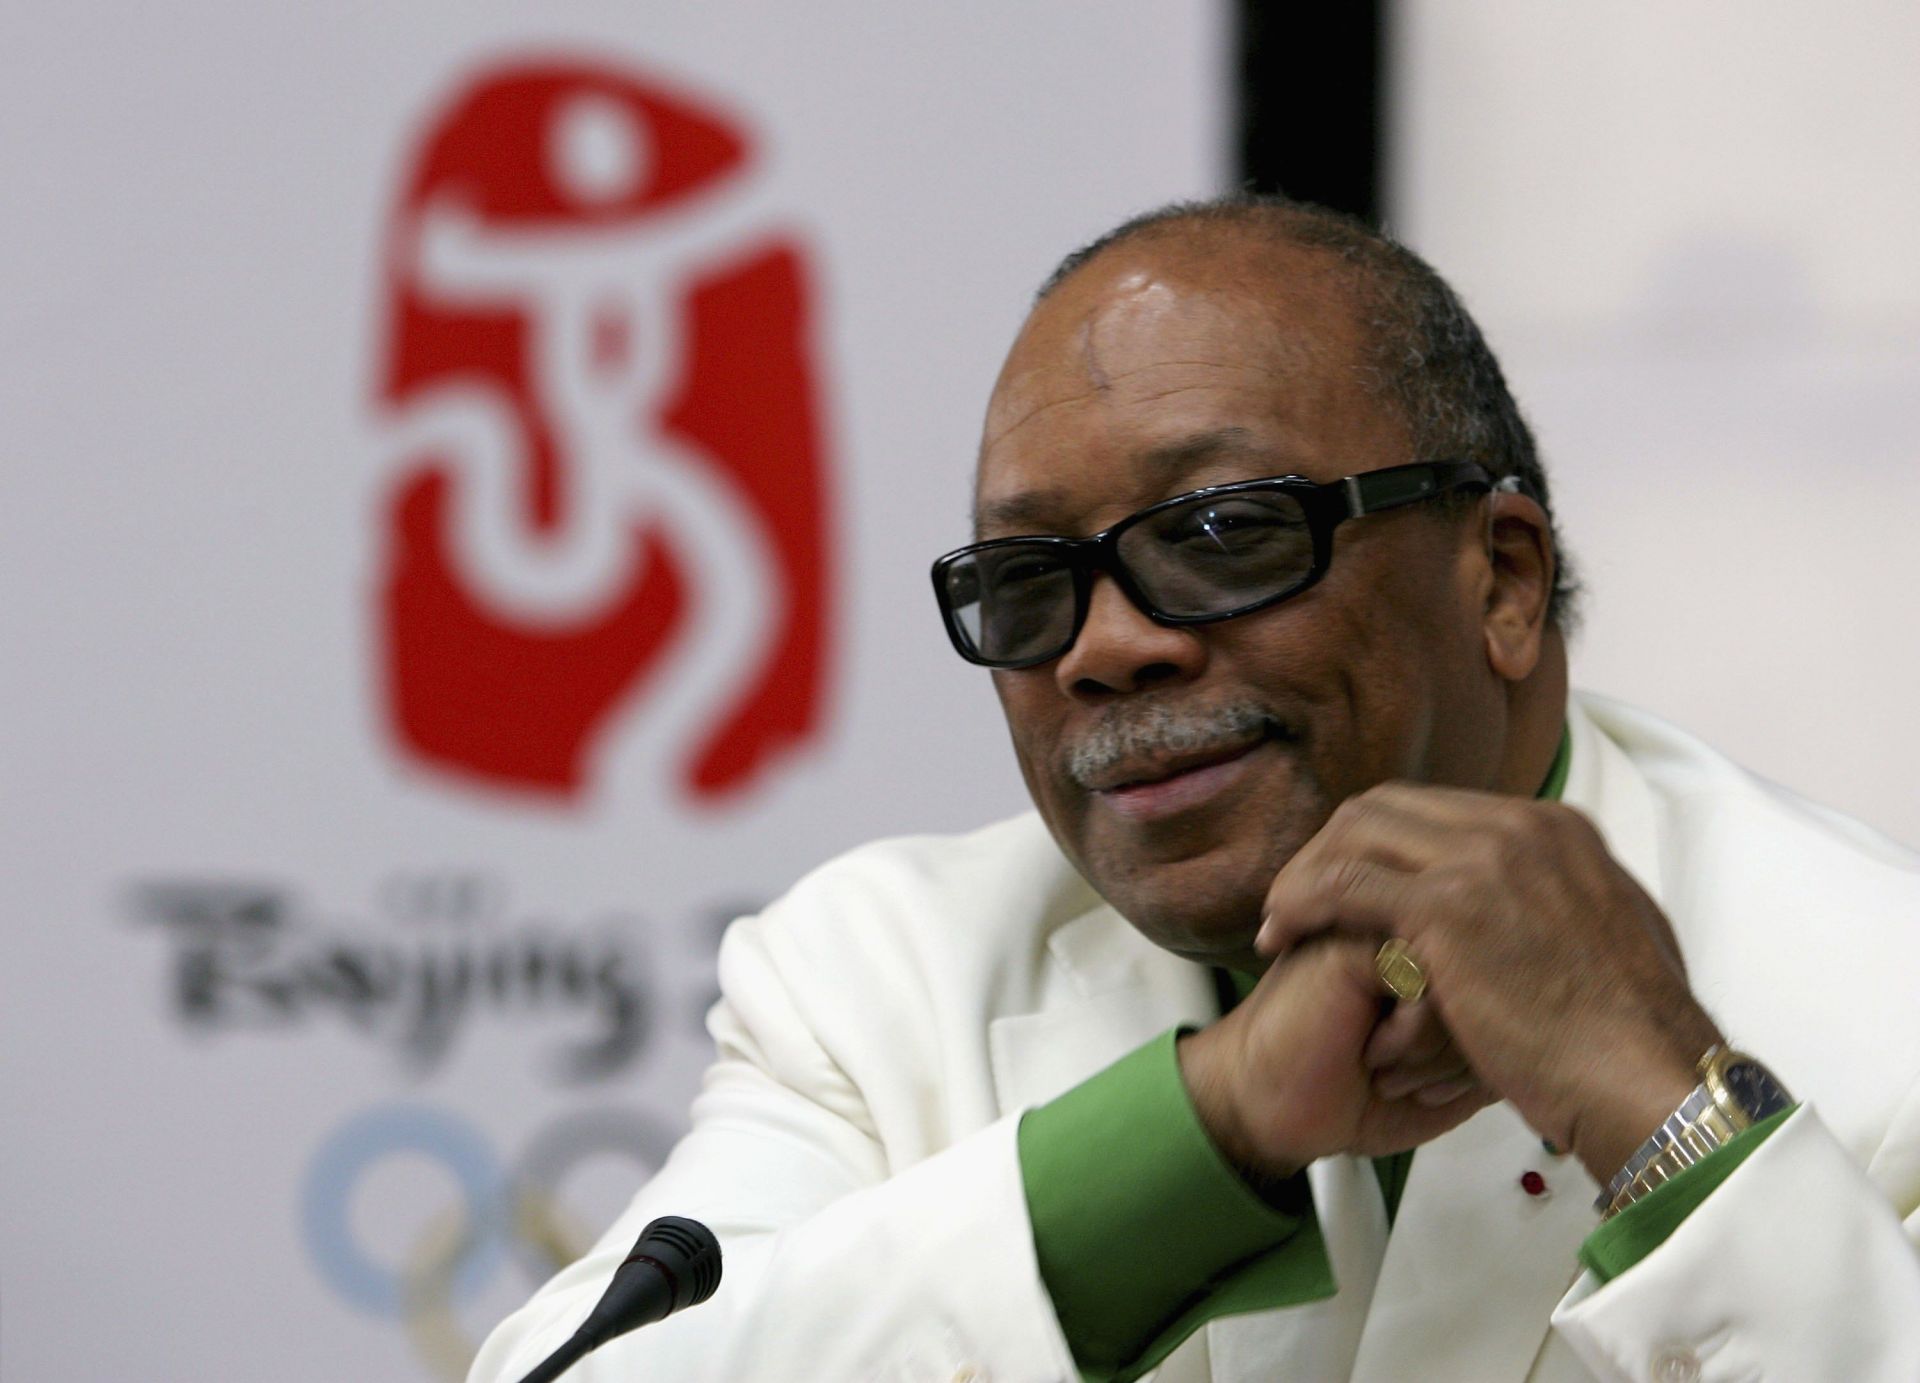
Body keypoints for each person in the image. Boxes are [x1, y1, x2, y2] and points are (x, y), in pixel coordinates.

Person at [471, 196, 1920, 1383]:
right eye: (1029, 582)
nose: (1106, 646)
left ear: (1504, 579)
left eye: (1225, 532)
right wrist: (1210, 1124)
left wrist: (1670, 1124)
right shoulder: (879, 981)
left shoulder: (1885, 998)